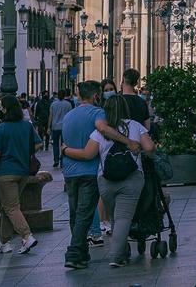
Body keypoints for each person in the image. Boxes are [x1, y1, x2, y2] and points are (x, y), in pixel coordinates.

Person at [62, 93, 155, 269]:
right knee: (123, 217)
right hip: (131, 178)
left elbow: (87, 154)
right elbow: (150, 148)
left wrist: (66, 150)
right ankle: (115, 255)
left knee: (114, 217)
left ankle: (120, 249)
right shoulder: (134, 126)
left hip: (106, 180)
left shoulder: (99, 132)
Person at [0, 94, 41, 255]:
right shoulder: (26, 126)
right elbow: (38, 144)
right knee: (9, 206)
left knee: (11, 207)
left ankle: (27, 236)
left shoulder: (0, 129)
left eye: (0, 106)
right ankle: (4, 242)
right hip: (24, 171)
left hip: (5, 172)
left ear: (5, 109)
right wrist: (26, 153)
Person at [47, 90, 71, 168]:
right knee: (64, 144)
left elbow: (50, 116)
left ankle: (56, 160)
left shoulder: (53, 104)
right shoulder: (68, 104)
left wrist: (48, 127)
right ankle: (62, 160)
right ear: (64, 95)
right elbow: (70, 116)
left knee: (55, 144)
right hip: (65, 126)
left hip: (55, 127)